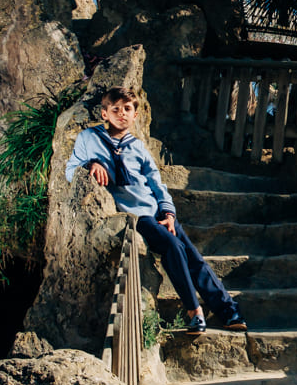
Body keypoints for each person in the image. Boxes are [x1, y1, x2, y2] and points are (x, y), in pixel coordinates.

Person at [65, 86, 247, 335]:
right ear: (104, 113)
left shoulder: (137, 147)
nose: (122, 114)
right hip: (134, 215)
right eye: (115, 109)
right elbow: (69, 169)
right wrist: (91, 163)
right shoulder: (89, 138)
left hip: (157, 211)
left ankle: (228, 311)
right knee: (172, 247)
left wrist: (169, 213)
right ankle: (195, 311)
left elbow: (156, 184)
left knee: (193, 257)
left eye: (127, 109)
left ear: (135, 115)